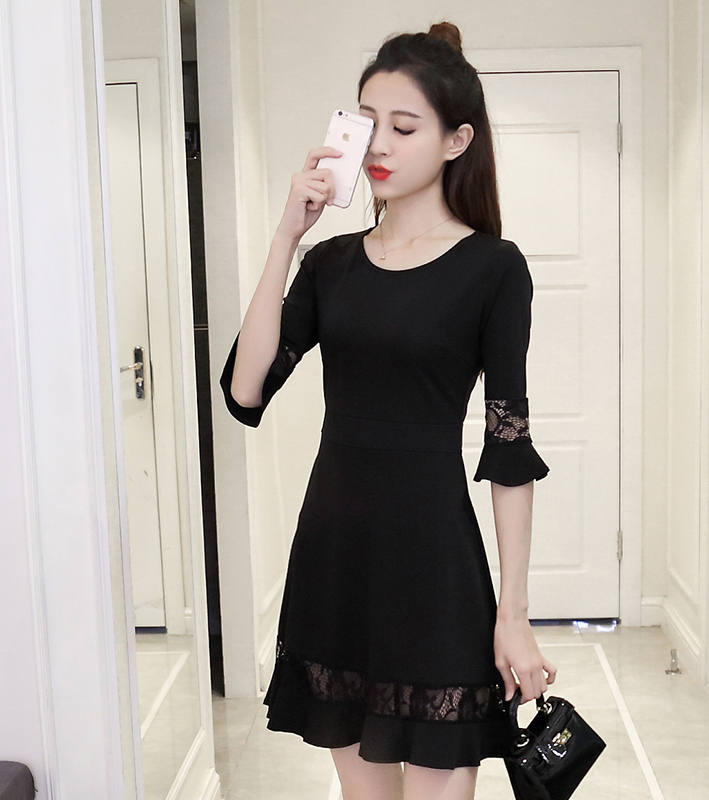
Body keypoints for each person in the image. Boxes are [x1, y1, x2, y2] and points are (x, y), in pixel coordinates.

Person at [220, 21, 557, 800]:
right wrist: (287, 235)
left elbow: (509, 449)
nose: (379, 144)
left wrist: (513, 613)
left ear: (456, 141)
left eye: (404, 128)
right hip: (336, 558)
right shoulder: (330, 265)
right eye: (367, 123)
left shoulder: (493, 269)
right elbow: (246, 388)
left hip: (434, 565)